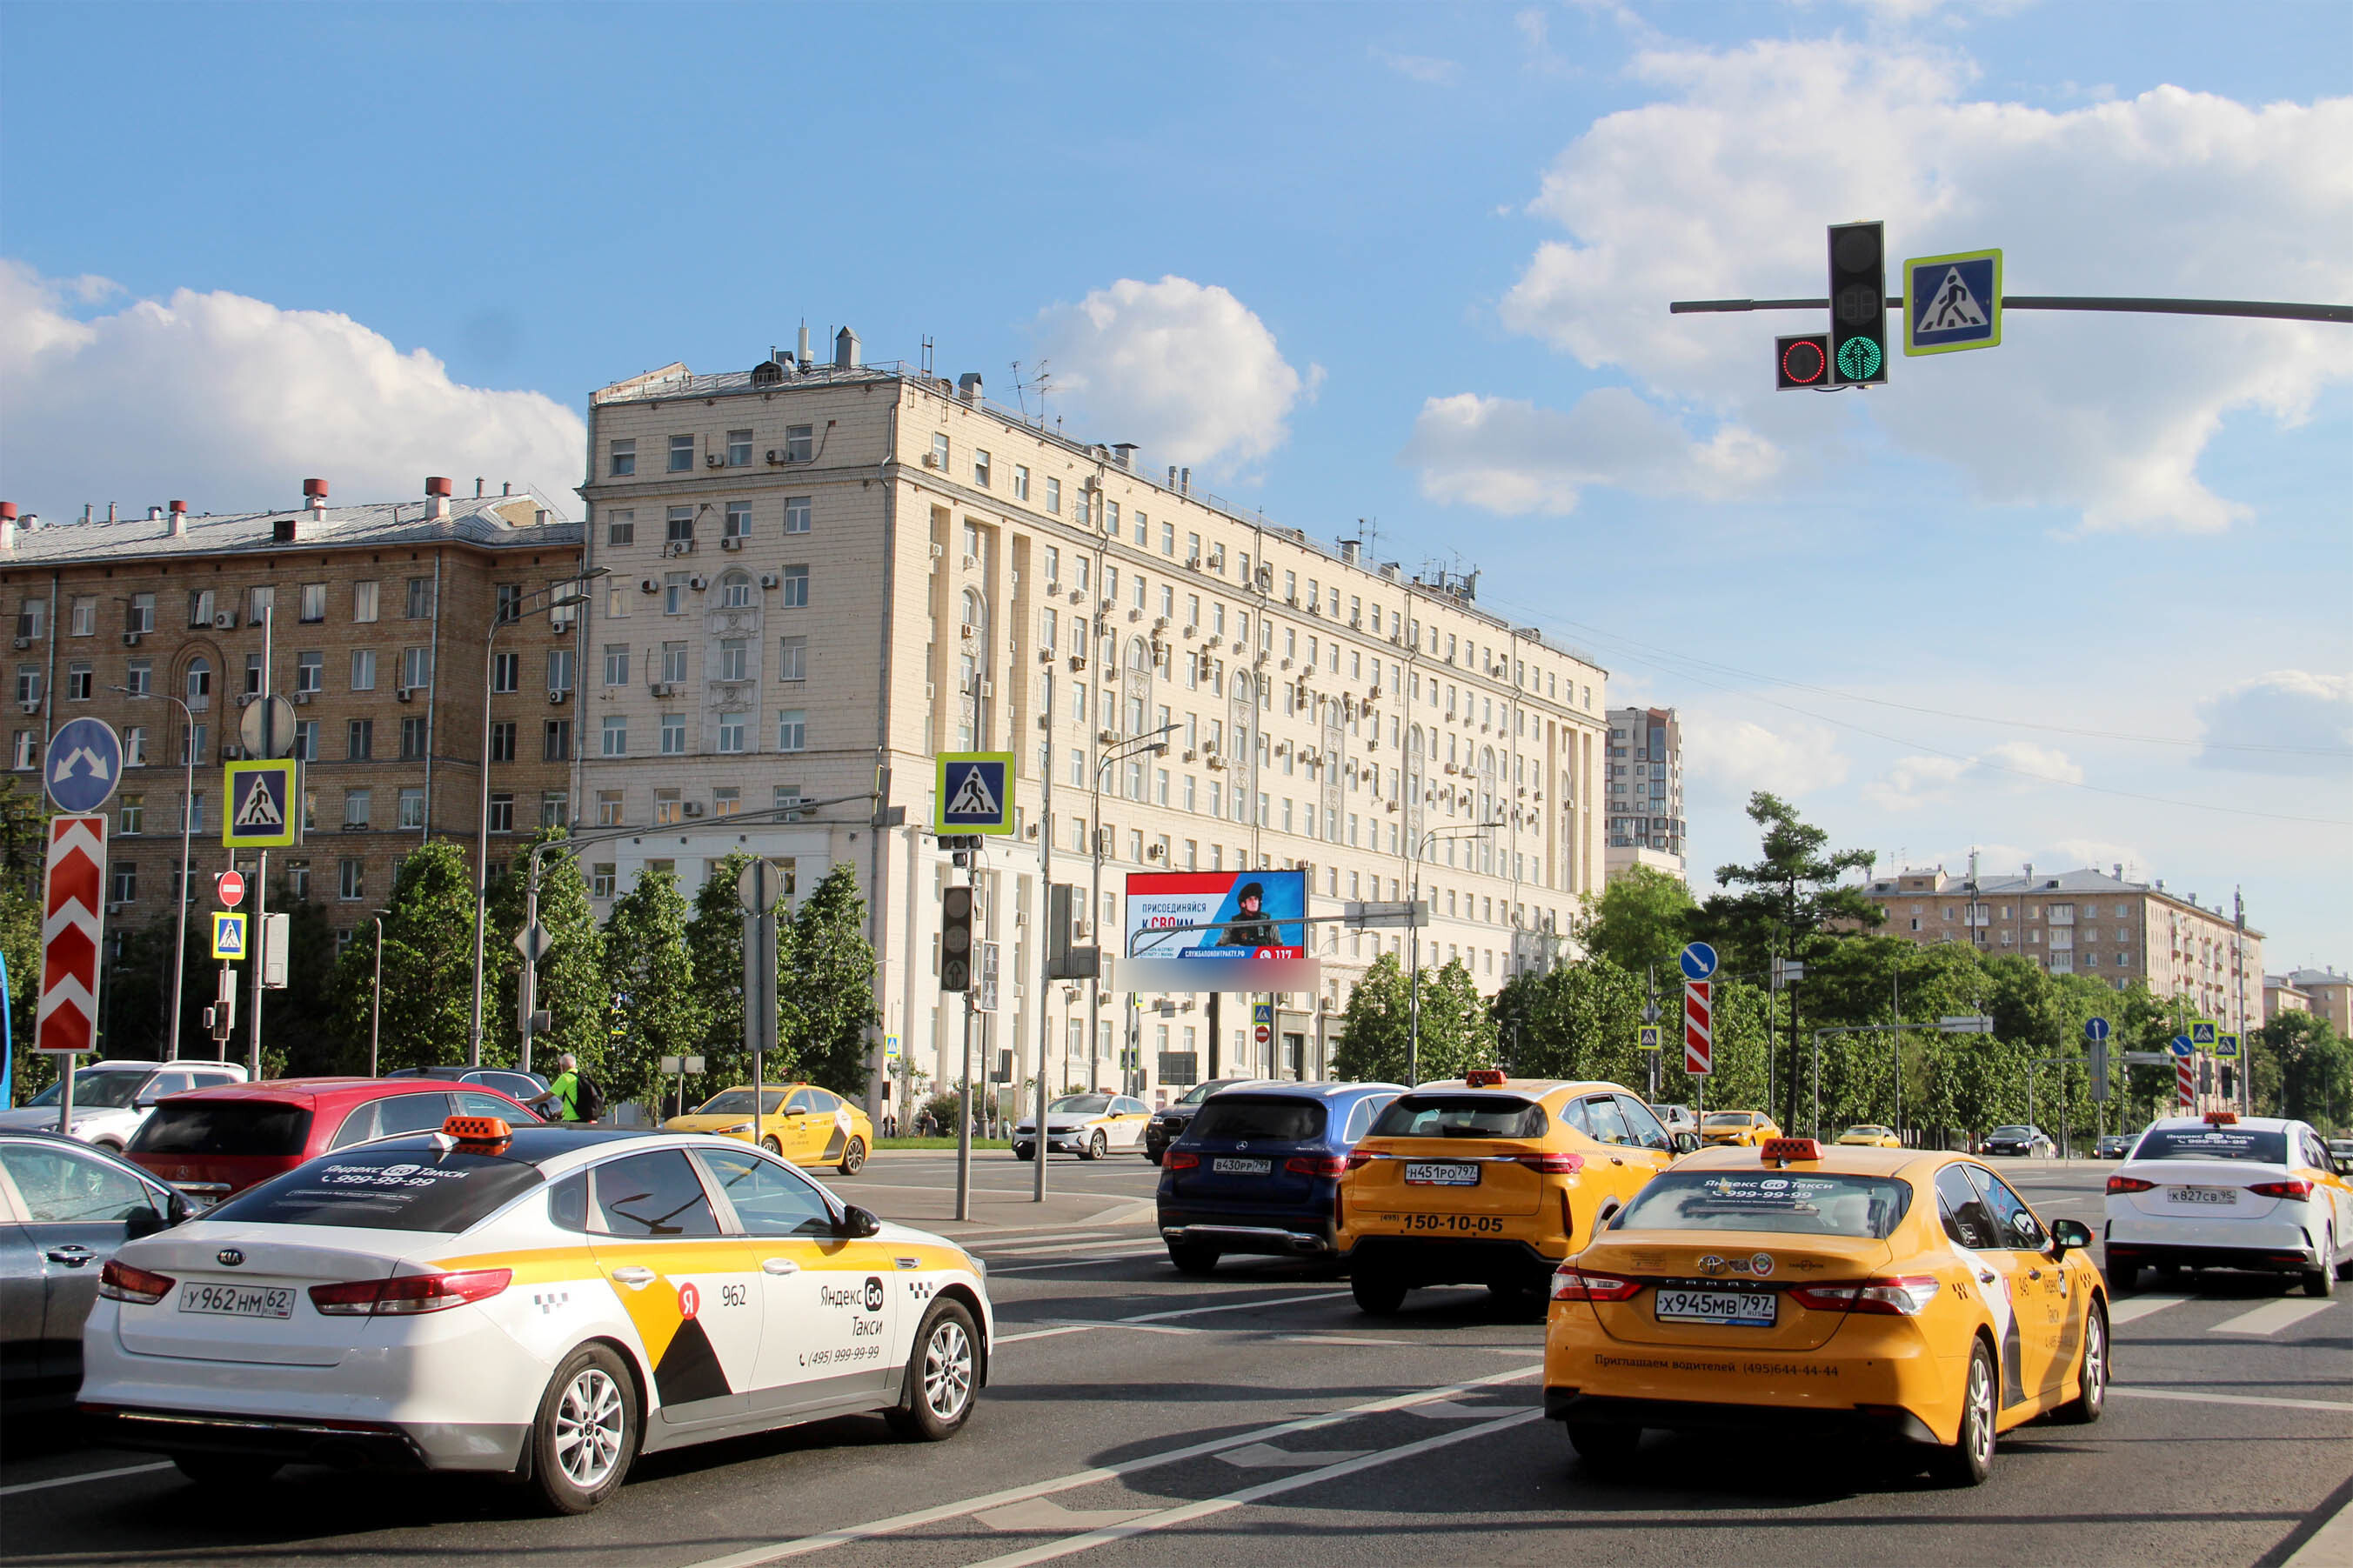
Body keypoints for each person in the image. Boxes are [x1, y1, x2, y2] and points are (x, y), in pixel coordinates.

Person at [1217, 882, 1279, 948]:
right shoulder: (1234, 923)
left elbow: (1279, 948)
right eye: (1250, 899)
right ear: (1243, 904)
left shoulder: (1268, 921)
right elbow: (1220, 948)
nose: (1254, 902)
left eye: (1256, 899)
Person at [545, 1053, 585, 1123]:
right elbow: (575, 1103)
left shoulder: (566, 1077)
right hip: (584, 1119)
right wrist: (559, 1113)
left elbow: (547, 1095)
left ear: (562, 1067)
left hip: (571, 1121)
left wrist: (528, 1102)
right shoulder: (582, 1077)